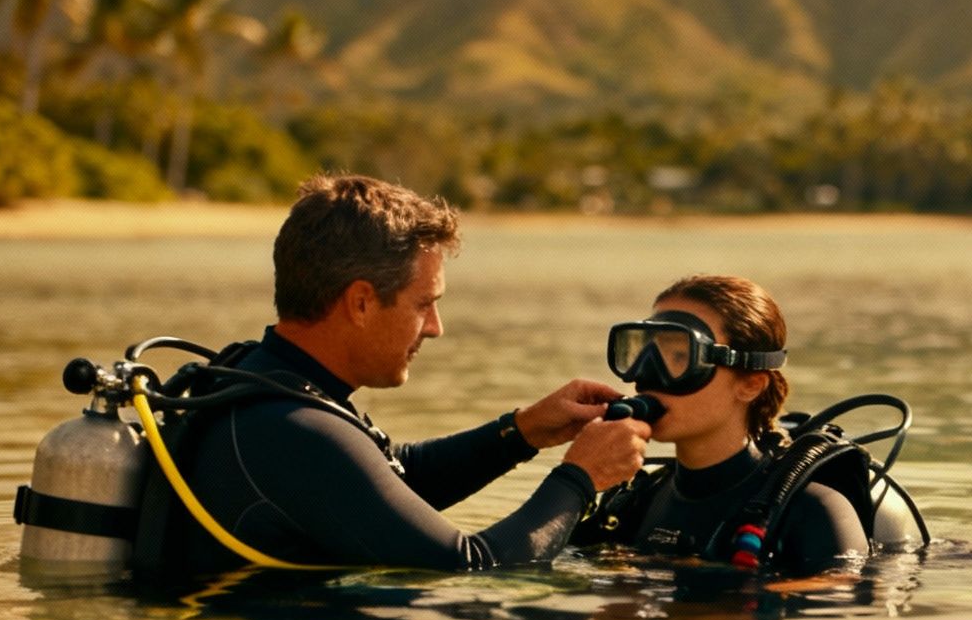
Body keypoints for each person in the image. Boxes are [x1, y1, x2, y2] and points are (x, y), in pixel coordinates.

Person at [145, 174, 649, 575]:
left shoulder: (260, 378)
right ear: (361, 302)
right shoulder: (296, 430)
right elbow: (471, 565)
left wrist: (521, 432)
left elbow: (386, 480)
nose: (436, 328)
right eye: (424, 304)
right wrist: (580, 479)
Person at [575, 274, 869, 573]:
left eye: (680, 356)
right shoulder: (638, 502)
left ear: (751, 384)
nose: (647, 377)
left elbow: (847, 599)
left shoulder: (814, 510)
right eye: (644, 353)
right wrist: (573, 475)